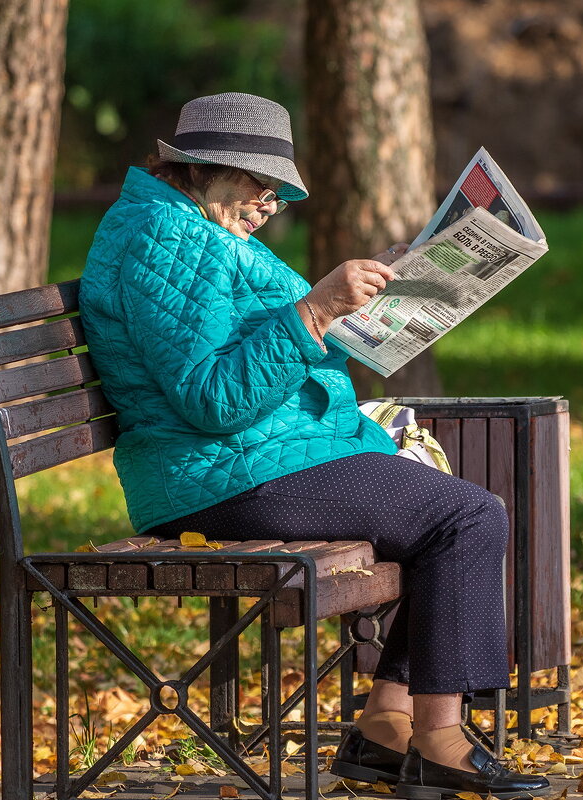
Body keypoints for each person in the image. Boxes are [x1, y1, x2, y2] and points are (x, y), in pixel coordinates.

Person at [79, 92, 550, 800]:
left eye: (277, 191)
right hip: (217, 477)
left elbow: (249, 343)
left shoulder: (194, 229)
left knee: (451, 510)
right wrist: (318, 307)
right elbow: (213, 399)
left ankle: (388, 729)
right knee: (466, 517)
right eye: (258, 184)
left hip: (262, 456)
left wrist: (385, 290)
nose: (270, 203)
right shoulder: (164, 239)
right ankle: (439, 740)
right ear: (202, 166)